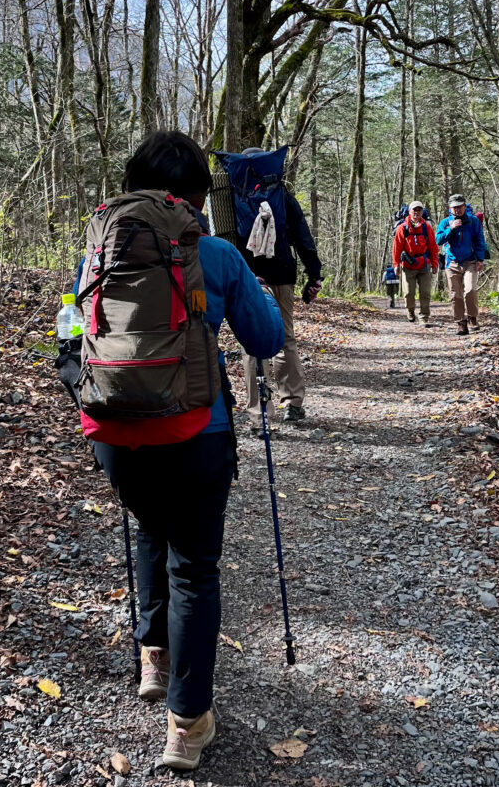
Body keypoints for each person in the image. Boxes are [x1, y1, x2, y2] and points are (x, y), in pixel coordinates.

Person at [90, 132, 284, 770]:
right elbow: (265, 338)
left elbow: (71, 329)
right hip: (197, 432)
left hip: (117, 432)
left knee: (149, 526)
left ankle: (154, 657)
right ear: (199, 194)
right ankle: (187, 723)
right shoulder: (220, 254)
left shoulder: (99, 254)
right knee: (195, 566)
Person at [239, 146, 322, 432]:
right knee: (285, 337)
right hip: (282, 273)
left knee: (251, 343)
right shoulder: (282, 195)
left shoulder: (230, 196)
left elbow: (220, 239)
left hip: (246, 276)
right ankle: (293, 403)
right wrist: (314, 274)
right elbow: (302, 235)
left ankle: (258, 413)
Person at [435, 192, 486, 335]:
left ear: (464, 206)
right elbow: (438, 240)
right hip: (452, 263)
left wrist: (480, 259)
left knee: (470, 289)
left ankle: (472, 317)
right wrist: (450, 228)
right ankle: (460, 323)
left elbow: (480, 240)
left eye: (460, 206)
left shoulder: (473, 221)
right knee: (455, 294)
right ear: (450, 209)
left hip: (470, 261)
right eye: (454, 207)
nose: (457, 209)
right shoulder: (445, 223)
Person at [392, 200, 438, 327]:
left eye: (419, 210)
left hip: (424, 265)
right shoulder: (402, 228)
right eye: (414, 210)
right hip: (408, 265)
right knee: (408, 293)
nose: (416, 212)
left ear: (422, 212)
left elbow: (433, 247)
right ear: (409, 212)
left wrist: (434, 264)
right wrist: (396, 265)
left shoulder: (426, 227)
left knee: (425, 293)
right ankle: (410, 310)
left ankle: (424, 316)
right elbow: (397, 248)